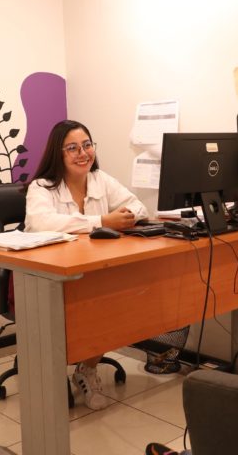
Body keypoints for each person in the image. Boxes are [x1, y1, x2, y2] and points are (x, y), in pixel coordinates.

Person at [25, 119, 149, 409]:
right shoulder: (41, 187)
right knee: (96, 306)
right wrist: (101, 221)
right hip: (49, 275)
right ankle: (55, 373)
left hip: (92, 270)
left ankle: (87, 368)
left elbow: (139, 206)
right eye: (72, 148)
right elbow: (40, 222)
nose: (82, 153)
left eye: (87, 145)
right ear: (58, 153)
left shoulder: (99, 179)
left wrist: (127, 215)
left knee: (115, 299)